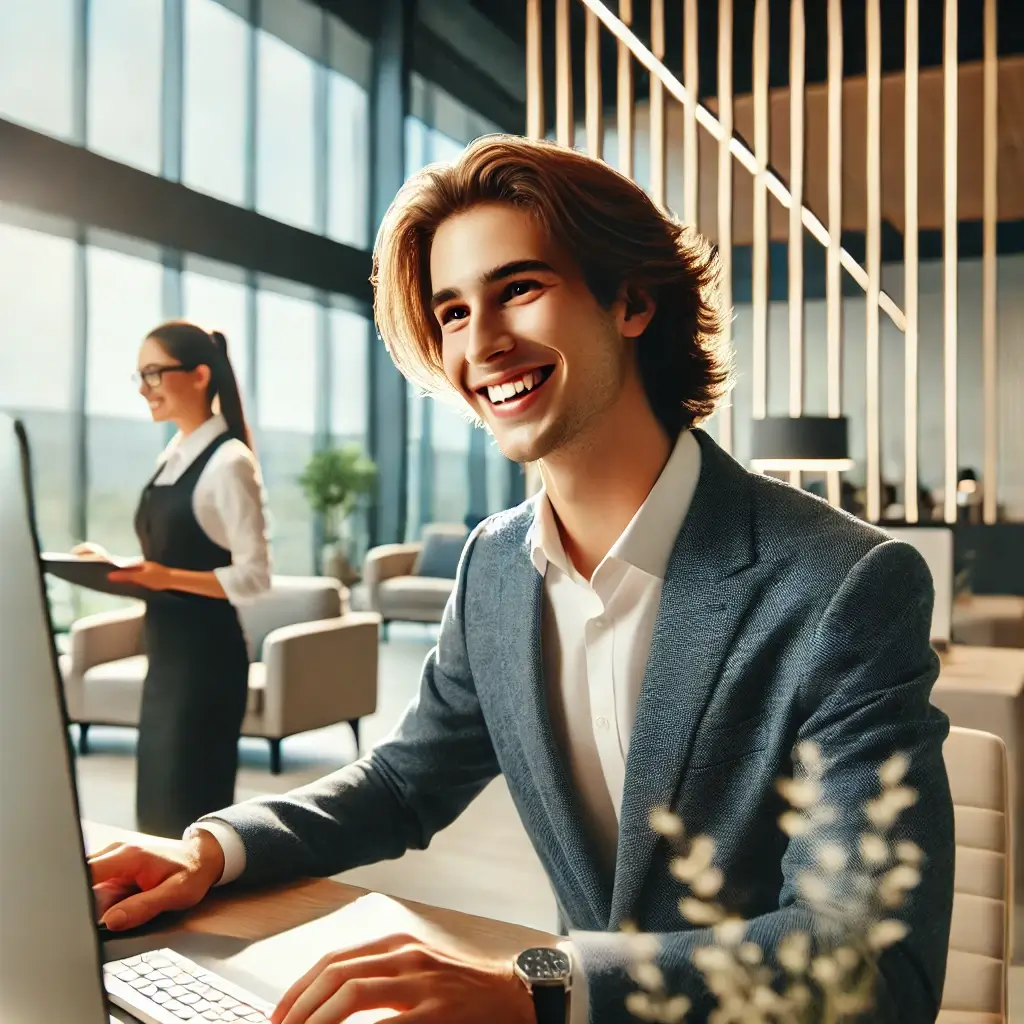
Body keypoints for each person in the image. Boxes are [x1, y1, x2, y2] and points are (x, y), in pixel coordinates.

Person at [88, 138, 953, 1024]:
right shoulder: (496, 566)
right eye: (453, 313)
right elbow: (403, 783)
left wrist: (540, 985)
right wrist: (213, 848)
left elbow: (868, 958)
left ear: (632, 300)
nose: (483, 343)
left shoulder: (843, 585)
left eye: (520, 290)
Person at [76, 321, 270, 838]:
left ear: (200, 375)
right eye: (139, 376)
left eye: (155, 373)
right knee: (158, 807)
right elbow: (170, 564)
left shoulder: (230, 462)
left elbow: (254, 577)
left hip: (207, 661)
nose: (145, 388)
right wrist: (111, 565)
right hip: (166, 655)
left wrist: (164, 577)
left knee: (189, 813)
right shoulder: (174, 454)